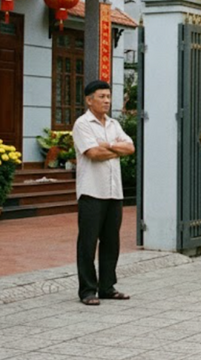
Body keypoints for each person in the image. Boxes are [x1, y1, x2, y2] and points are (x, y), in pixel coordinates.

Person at [72, 79, 135, 306]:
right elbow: (92, 153)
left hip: (114, 192)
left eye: (108, 96)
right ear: (89, 100)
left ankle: (107, 287)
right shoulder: (82, 124)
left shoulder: (113, 124)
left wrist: (107, 145)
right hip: (91, 192)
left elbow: (130, 147)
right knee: (88, 243)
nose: (107, 101)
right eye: (101, 97)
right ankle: (88, 290)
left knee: (111, 241)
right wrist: (114, 149)